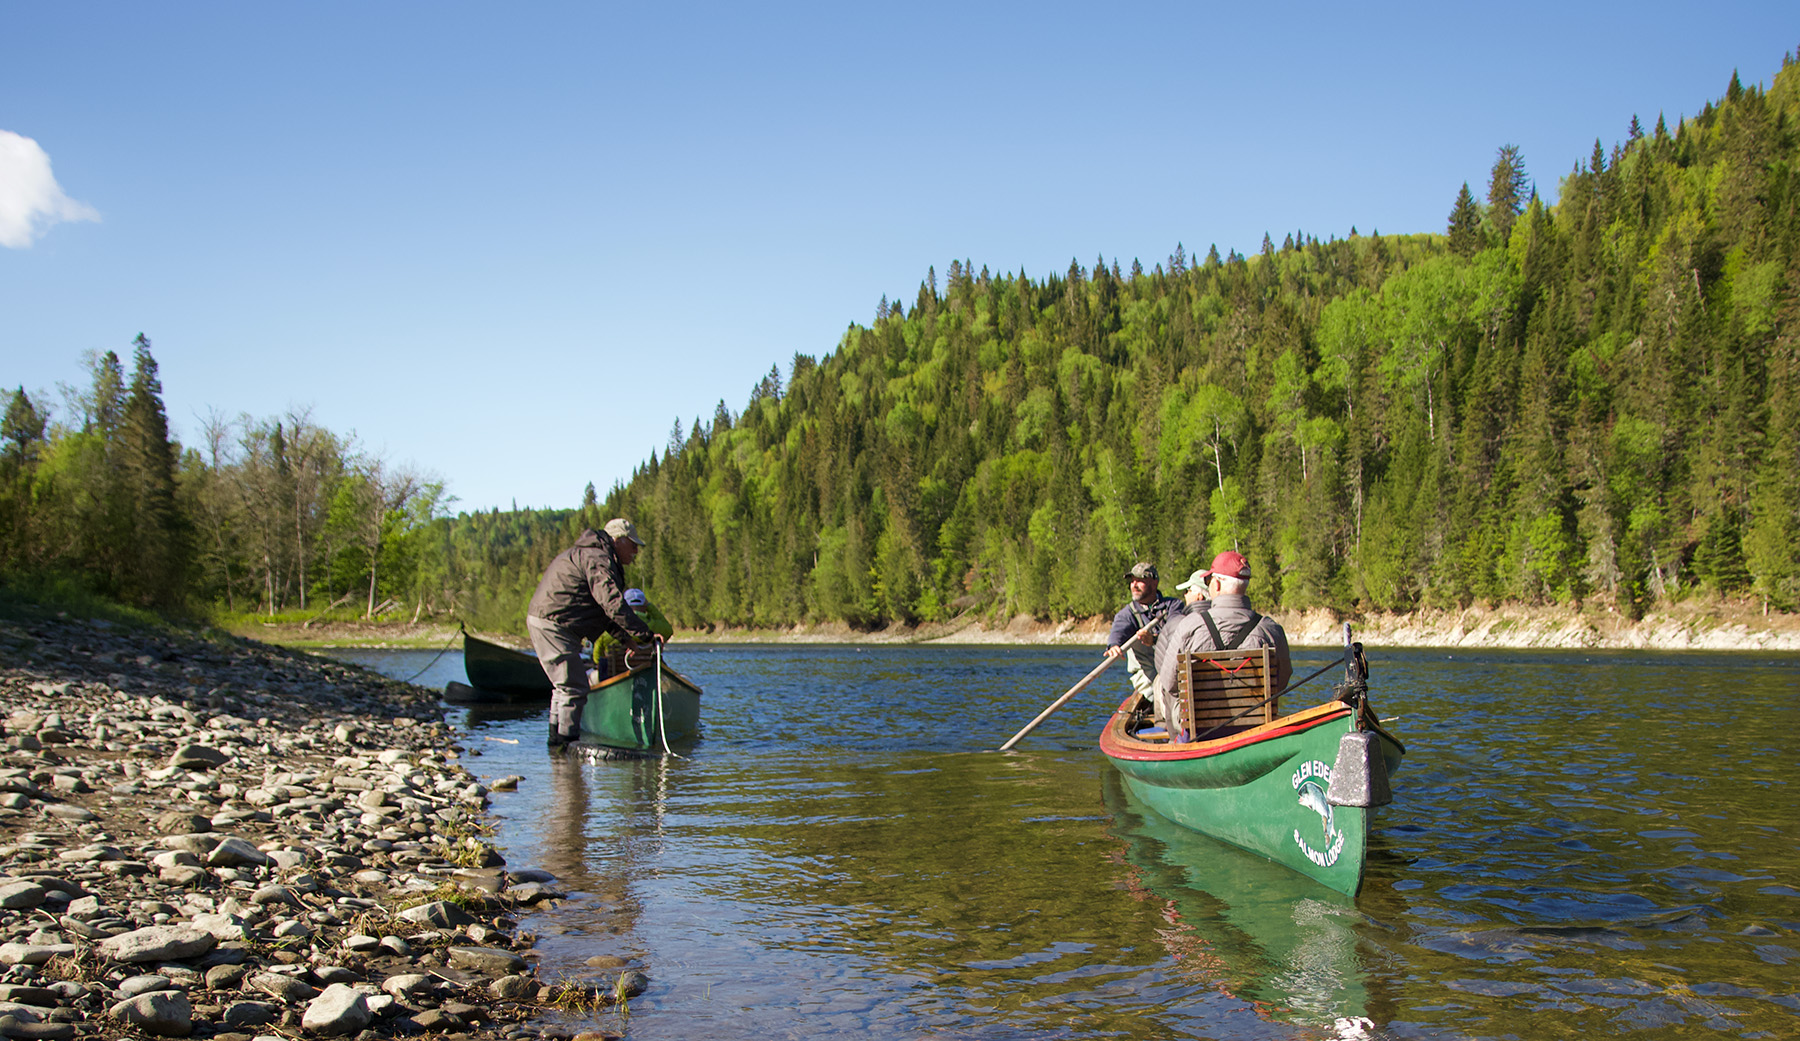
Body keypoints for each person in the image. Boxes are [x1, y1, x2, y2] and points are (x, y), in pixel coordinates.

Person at [526, 517, 655, 750]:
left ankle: (556, 749)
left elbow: (603, 614)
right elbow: (613, 604)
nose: (636, 550)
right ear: (617, 540)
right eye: (632, 543)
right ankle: (565, 746)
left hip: (549, 622)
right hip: (554, 625)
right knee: (574, 687)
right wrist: (644, 634)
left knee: (563, 688)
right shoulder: (598, 559)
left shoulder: (593, 555)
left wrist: (627, 640)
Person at [1153, 550, 1292, 734]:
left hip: (1199, 729)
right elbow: (1281, 681)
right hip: (1254, 726)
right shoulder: (1270, 629)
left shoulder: (1190, 626)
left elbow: (1170, 684)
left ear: (1216, 584)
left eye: (1208, 582)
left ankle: (1172, 742)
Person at [1104, 563, 1181, 700]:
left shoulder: (1173, 606)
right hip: (1147, 678)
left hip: (1175, 671)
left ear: (1154, 582)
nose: (1134, 585)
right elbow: (1119, 631)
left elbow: (1177, 635)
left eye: (1140, 580)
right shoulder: (1127, 614)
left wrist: (1154, 640)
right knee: (1159, 696)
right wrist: (1113, 646)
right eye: (1132, 581)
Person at [592, 587, 675, 679]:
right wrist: (649, 606)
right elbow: (668, 630)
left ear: (624, 606)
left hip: (616, 676)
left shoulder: (612, 629)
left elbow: (597, 657)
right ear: (644, 606)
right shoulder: (653, 626)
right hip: (647, 678)